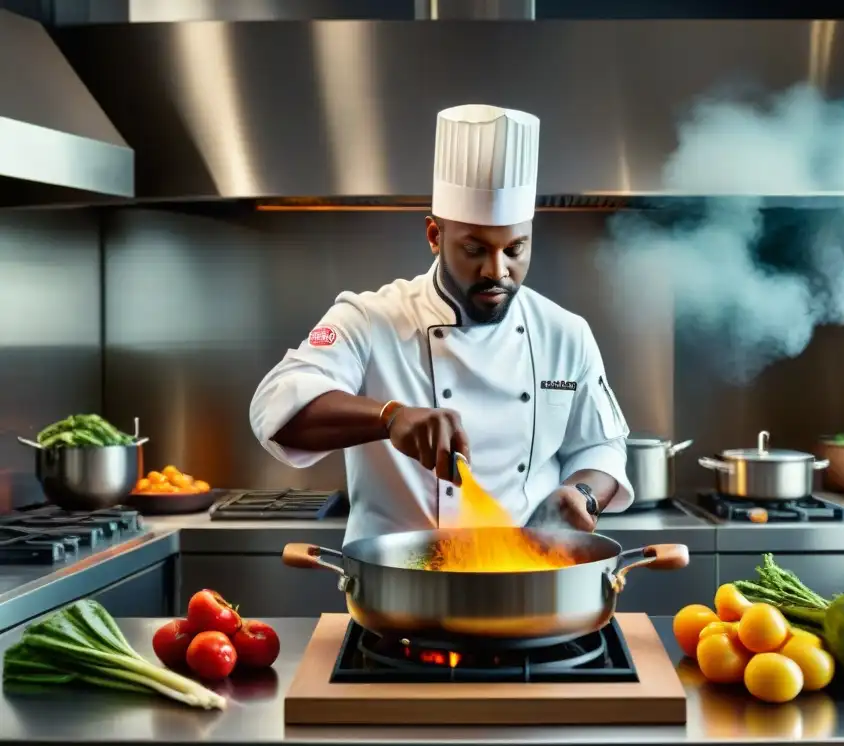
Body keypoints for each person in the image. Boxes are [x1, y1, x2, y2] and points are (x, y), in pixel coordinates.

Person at [250, 104, 634, 544]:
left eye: (515, 249)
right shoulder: (370, 319)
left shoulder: (564, 333)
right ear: (435, 236)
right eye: (475, 249)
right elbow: (275, 408)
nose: (498, 270)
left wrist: (582, 493)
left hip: (525, 582)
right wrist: (388, 417)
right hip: (396, 588)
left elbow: (602, 447)